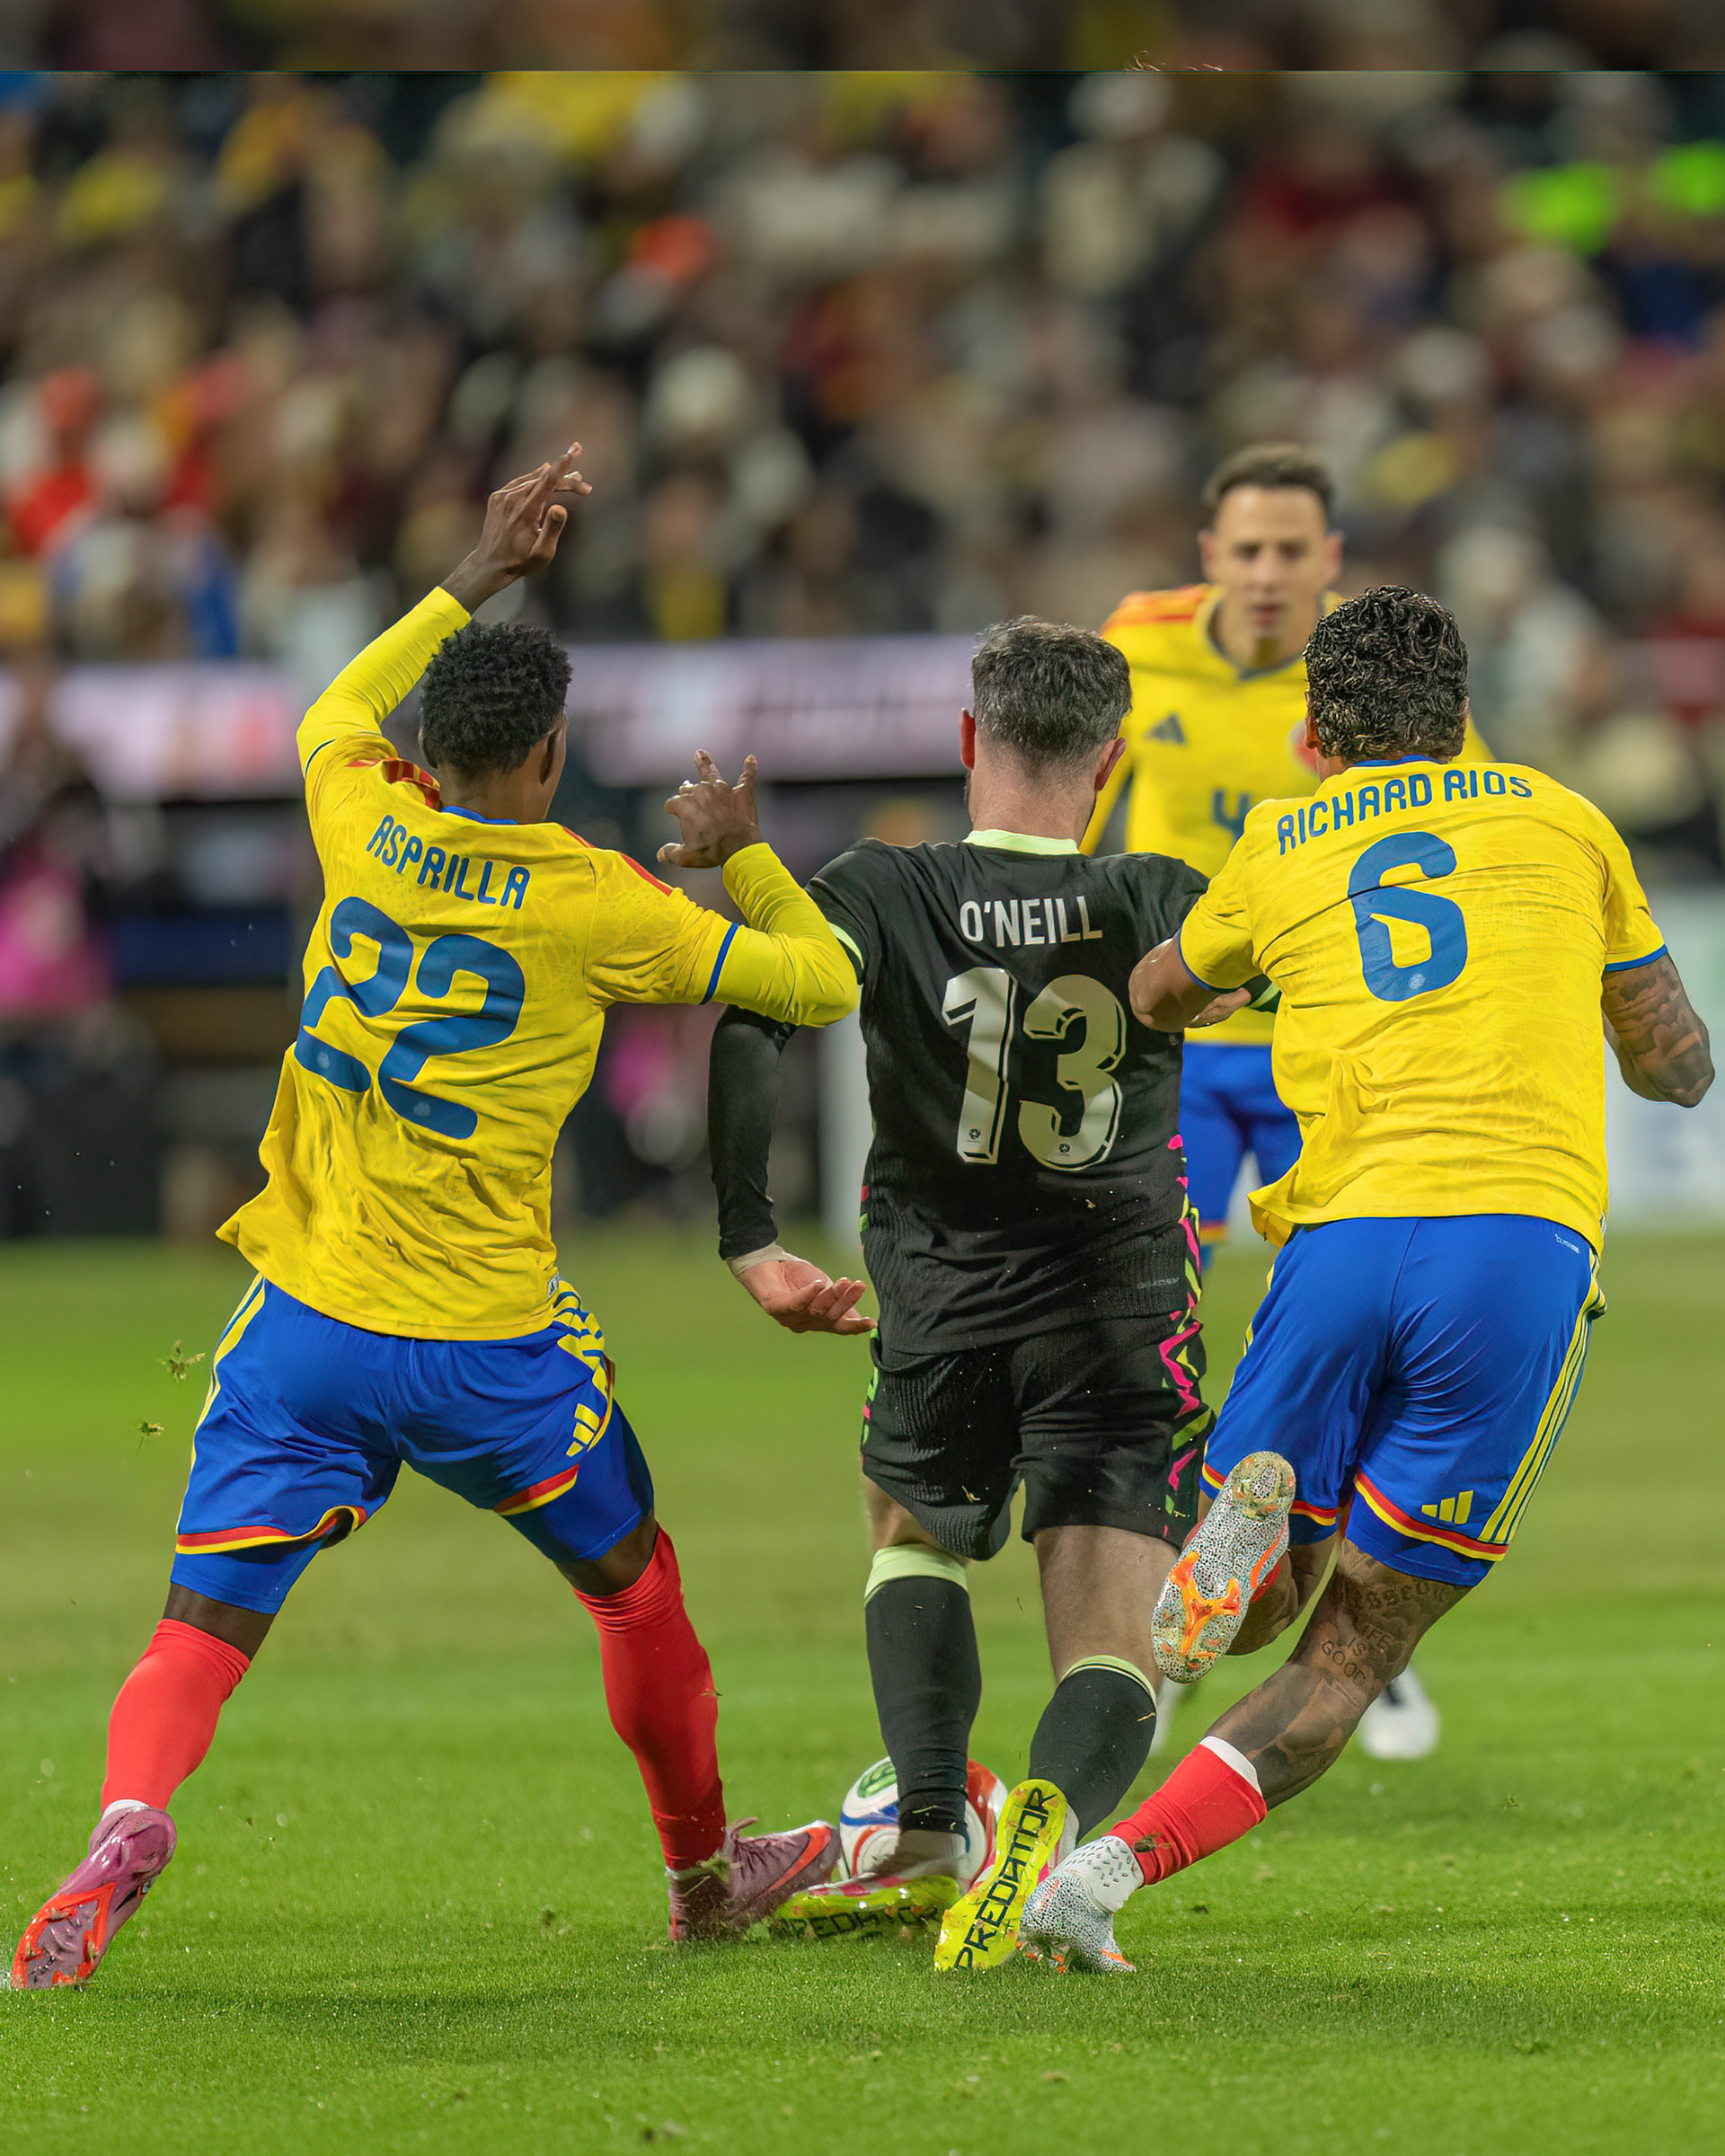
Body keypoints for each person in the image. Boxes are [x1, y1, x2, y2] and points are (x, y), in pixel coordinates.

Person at [12, 447, 857, 1991]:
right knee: (635, 1589)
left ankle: (130, 1817)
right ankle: (704, 1874)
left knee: (202, 1619)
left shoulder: (358, 815)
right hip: (488, 1345)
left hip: (305, 1323)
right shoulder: (592, 899)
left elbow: (328, 707)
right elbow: (820, 982)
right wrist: (740, 850)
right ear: (546, 757)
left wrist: (472, 572)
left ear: (432, 742)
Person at [1022, 586, 1713, 1975]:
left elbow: (1157, 992)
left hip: (1336, 1240)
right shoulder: (1565, 820)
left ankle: (1231, 1551)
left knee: (1271, 1575)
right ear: (1462, 719)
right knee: (1347, 1660)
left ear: (1314, 739)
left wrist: (1247, 978)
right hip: (1511, 1249)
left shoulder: (1278, 841)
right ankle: (1103, 1876)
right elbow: (1677, 1061)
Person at [706, 617, 1226, 1972]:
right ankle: (1045, 1847)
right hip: (1121, 1303)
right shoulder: (1163, 891)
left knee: (911, 1530)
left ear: (965, 743)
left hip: (941, 1299)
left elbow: (756, 1019)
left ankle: (933, 1823)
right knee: (1116, 1637)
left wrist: (753, 1236)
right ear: (1109, 763)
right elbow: (1294, 993)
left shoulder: (882, 888)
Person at [1084, 441, 1470, 1762]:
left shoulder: (1376, 689)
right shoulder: (1134, 643)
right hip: (1183, 1045)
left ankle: (1348, 1595)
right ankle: (1207, 1558)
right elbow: (1080, 798)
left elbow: (1471, 828)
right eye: (1242, 549)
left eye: (1288, 552)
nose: (1263, 574)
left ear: (1330, 563)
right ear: (1207, 555)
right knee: (1156, 1300)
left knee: (1357, 1313)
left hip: (1330, 1050)